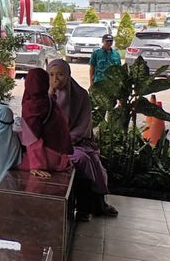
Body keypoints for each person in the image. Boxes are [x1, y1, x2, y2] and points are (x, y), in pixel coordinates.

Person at [48, 59, 118, 220]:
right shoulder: (43, 95)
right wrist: (49, 96)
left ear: (68, 75)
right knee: (82, 160)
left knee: (92, 160)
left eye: (60, 75)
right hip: (49, 145)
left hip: (76, 141)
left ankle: (98, 204)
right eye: (51, 75)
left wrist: (68, 140)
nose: (55, 79)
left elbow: (83, 125)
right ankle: (86, 207)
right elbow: (39, 122)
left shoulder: (80, 95)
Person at [17, 68, 73, 178]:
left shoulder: (32, 106)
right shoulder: (49, 101)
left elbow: (32, 138)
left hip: (49, 159)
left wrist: (37, 166)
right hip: (61, 155)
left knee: (4, 159)